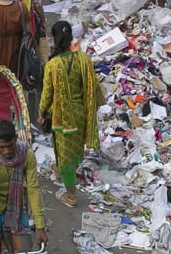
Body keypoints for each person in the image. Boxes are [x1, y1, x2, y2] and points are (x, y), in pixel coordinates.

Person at [38, 20, 103, 209]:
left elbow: (47, 94)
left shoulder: (53, 65)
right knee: (75, 150)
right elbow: (93, 86)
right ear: (70, 40)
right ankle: (61, 171)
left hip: (61, 117)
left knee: (64, 153)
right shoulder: (83, 59)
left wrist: (41, 112)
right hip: (81, 114)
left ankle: (70, 195)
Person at [0, 119, 48, 254]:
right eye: (2, 147)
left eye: (10, 145)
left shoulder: (27, 155)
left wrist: (40, 227)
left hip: (16, 210)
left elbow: (33, 190)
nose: (7, 151)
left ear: (16, 139)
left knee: (24, 249)